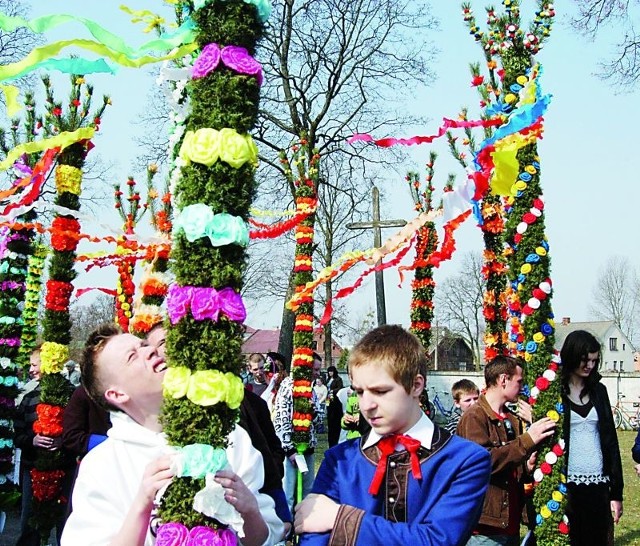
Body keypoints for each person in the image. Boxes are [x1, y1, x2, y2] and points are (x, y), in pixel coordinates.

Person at [61, 324, 284, 546]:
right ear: (117, 394)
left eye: (144, 345)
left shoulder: (228, 436)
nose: (150, 351)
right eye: (132, 356)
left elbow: (263, 538)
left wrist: (250, 511)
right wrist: (142, 504)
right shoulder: (102, 465)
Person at [294, 325, 491, 546]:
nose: (366, 405)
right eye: (359, 392)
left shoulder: (465, 460)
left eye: (380, 391)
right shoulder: (340, 460)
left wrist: (341, 519)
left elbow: (438, 540)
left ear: (416, 385)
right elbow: (313, 538)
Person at [146, 325, 292, 533]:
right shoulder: (136, 435)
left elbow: (267, 454)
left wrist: (272, 514)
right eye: (161, 345)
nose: (171, 349)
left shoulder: (235, 411)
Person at [457, 355, 557, 546]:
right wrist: (527, 440)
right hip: (485, 529)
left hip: (509, 523)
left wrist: (526, 467)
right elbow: (483, 462)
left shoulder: (511, 419)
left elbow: (510, 465)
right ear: (503, 379)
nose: (522, 386)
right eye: (518, 381)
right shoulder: (475, 417)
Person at [560, 330, 623, 546]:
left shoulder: (599, 391)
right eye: (585, 360)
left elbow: (611, 442)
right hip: (567, 483)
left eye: (594, 361)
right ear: (571, 356)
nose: (589, 366)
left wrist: (616, 493)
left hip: (598, 482)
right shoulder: (555, 391)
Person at [14, 347, 74, 545]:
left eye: (34, 364)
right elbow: (18, 433)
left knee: (64, 523)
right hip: (33, 469)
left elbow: (78, 430)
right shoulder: (29, 397)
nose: (31, 369)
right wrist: (32, 440)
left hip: (64, 469)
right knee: (30, 522)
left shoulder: (70, 395)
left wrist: (63, 442)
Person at [273, 352, 323, 513]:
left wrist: (313, 412)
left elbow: (319, 420)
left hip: (308, 449)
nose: (317, 373)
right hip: (291, 452)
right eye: (315, 369)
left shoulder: (311, 389)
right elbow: (281, 420)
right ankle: (287, 531)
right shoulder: (288, 386)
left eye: (318, 370)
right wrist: (290, 450)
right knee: (288, 495)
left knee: (308, 493)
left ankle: (305, 528)